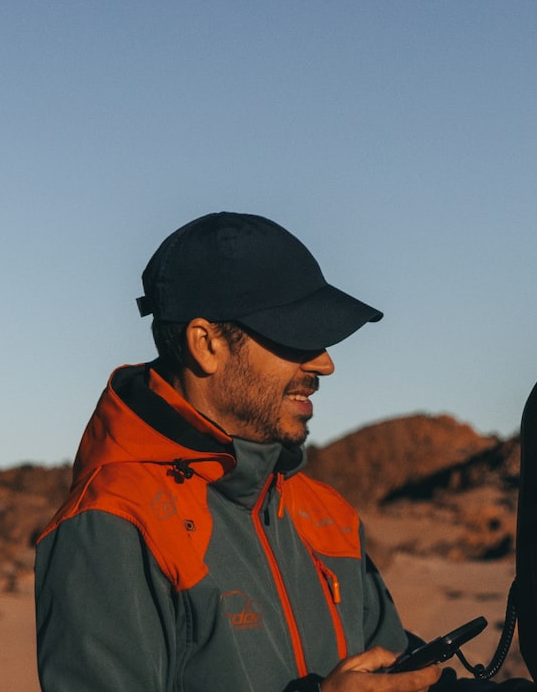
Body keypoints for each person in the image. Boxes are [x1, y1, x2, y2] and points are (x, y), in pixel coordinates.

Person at [33, 212, 446, 692]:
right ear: (206, 344)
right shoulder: (115, 525)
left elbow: (395, 673)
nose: (324, 363)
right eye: (295, 335)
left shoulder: (327, 515)